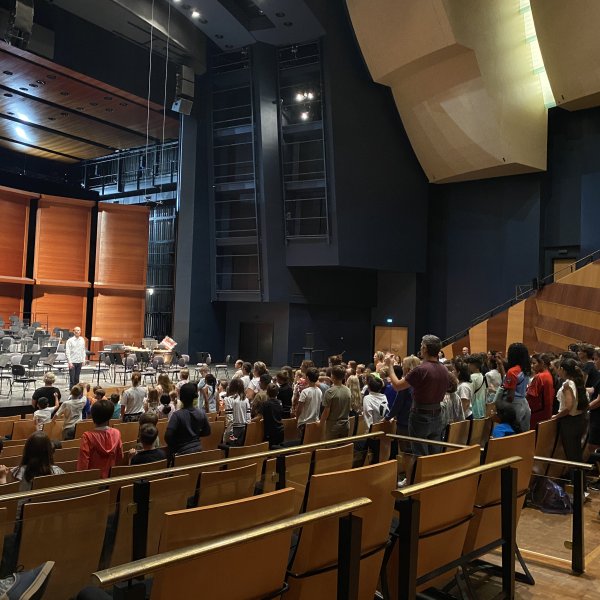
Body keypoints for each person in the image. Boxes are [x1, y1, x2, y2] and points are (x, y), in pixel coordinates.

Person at [387, 334, 450, 456]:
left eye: (421, 346)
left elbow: (397, 386)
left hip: (420, 416)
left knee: (419, 455)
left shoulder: (421, 369)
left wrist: (390, 366)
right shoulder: (444, 369)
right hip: (438, 415)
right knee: (433, 455)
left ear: (425, 348)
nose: (420, 348)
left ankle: (418, 475)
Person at [0, 432, 64, 491]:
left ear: (27, 450)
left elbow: (7, 498)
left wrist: (2, 478)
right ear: (49, 452)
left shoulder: (17, 473)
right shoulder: (58, 471)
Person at [553, 358, 588, 465]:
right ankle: (580, 480)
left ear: (562, 369)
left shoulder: (567, 384)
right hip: (579, 420)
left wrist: (556, 416)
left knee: (572, 457)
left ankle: (576, 481)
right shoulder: (577, 381)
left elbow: (568, 407)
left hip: (569, 423)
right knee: (577, 455)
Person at [77, 400, 123, 478]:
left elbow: (83, 464)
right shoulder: (116, 433)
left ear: (93, 416)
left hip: (93, 480)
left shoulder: (87, 436)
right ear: (110, 416)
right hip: (110, 476)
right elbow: (120, 456)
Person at [165, 383, 211, 456]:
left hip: (181, 452)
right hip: (198, 450)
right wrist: (195, 435)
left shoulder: (177, 415)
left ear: (181, 397)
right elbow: (207, 431)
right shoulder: (202, 413)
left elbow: (168, 436)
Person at [497, 342, 531, 433]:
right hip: (524, 403)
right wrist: (501, 364)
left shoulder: (512, 371)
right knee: (523, 433)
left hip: (514, 406)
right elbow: (508, 380)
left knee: (512, 433)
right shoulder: (526, 368)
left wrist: (501, 406)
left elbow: (510, 396)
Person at [321, 365, 351, 440]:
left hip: (333, 425)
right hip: (345, 424)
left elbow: (326, 411)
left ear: (332, 376)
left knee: (331, 449)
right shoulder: (348, 390)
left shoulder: (330, 392)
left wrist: (321, 423)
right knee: (342, 449)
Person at [527, 353, 555, 429]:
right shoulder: (548, 374)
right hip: (546, 412)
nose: (532, 366)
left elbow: (530, 395)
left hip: (537, 413)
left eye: (534, 363)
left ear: (542, 363)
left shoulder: (539, 376)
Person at [254, 383, 284, 448]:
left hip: (270, 432)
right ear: (277, 393)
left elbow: (259, 417)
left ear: (267, 392)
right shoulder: (280, 402)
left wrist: (249, 420)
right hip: (280, 430)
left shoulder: (265, 404)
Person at [295, 367, 322, 439]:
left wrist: (297, 419)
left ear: (307, 378)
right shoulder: (319, 391)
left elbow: (299, 409)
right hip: (315, 422)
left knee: (303, 444)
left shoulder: (305, 392)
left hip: (305, 423)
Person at [223, 378, 250, 444]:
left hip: (233, 430)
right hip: (244, 429)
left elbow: (230, 420)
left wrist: (228, 436)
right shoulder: (246, 400)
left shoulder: (228, 399)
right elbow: (248, 419)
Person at [466, 354, 486, 419]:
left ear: (474, 365)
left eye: (469, 363)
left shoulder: (472, 377)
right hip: (482, 407)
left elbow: (470, 394)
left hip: (474, 407)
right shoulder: (482, 375)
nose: (468, 365)